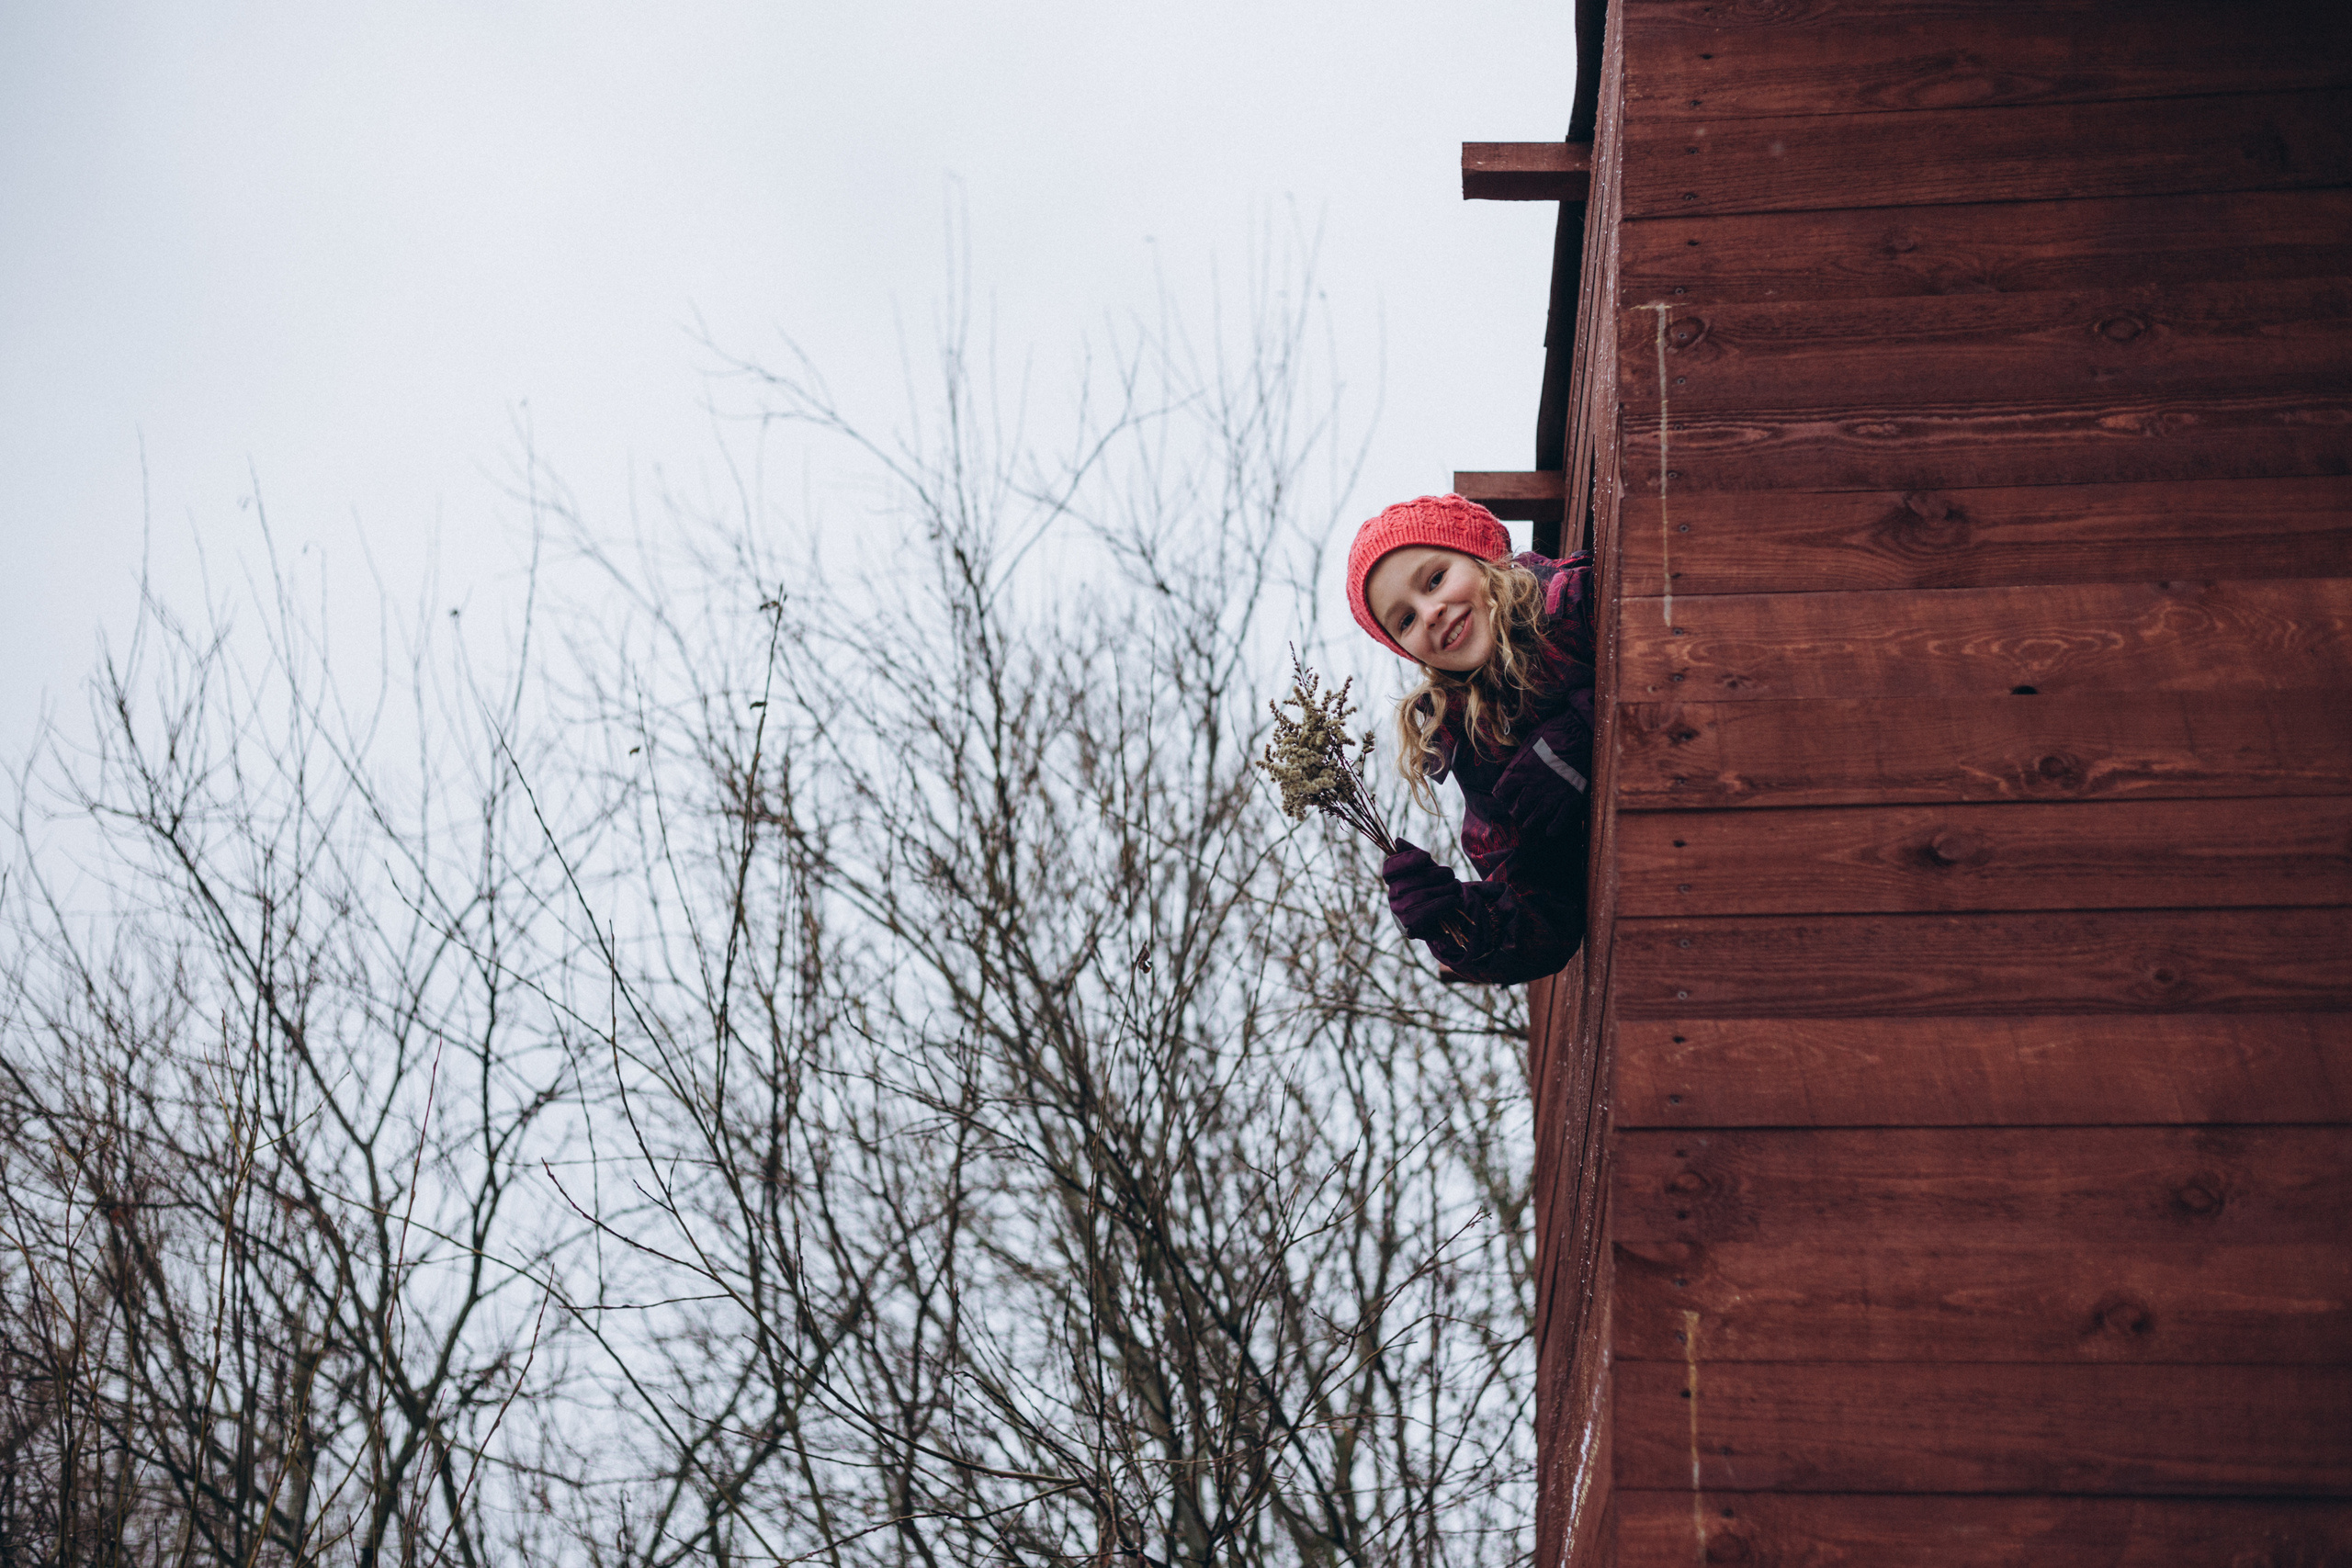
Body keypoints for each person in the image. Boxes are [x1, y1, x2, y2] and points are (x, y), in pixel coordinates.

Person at [1347, 493, 1596, 984]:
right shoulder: (1481, 753)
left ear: (1481, 556)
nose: (1431, 612)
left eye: (1435, 579)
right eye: (1406, 620)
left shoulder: (1577, 598)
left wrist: (1586, 725)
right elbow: (1543, 924)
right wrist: (1455, 921)